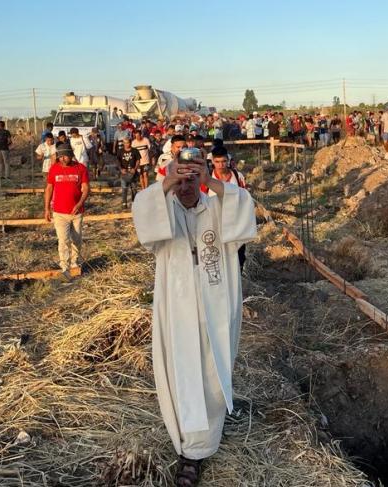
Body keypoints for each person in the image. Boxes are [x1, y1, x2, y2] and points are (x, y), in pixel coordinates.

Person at [131, 151, 256, 487]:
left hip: (215, 304)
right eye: (180, 181)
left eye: (192, 181)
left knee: (213, 372)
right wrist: (169, 179)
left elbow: (242, 205)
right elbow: (143, 212)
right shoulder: (163, 210)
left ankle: (203, 444)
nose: (186, 188)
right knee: (183, 371)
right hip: (178, 306)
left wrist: (210, 181)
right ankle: (189, 450)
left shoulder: (216, 207)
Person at [44, 142, 90, 280]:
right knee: (63, 240)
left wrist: (80, 203)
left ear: (71, 155)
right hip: (59, 212)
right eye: (60, 156)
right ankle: (64, 265)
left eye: (65, 156)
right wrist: (46, 208)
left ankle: (75, 262)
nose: (63, 159)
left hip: (76, 213)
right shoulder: (54, 169)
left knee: (76, 239)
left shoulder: (80, 168)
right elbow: (49, 189)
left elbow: (86, 188)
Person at [117, 138, 141, 208]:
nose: (127, 144)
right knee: (124, 188)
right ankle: (124, 203)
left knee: (134, 188)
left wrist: (135, 168)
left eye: (128, 143)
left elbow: (138, 160)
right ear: (123, 143)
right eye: (125, 143)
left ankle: (134, 203)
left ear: (130, 143)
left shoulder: (135, 150)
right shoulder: (120, 151)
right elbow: (118, 161)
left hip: (133, 173)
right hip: (124, 172)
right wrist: (121, 169)